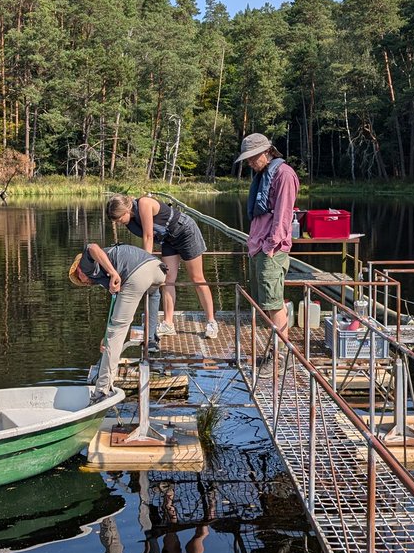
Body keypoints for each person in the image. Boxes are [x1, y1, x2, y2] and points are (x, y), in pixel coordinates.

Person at [106, 194, 219, 340]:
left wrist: (144, 267)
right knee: (167, 280)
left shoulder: (144, 204)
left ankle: (211, 322)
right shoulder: (130, 221)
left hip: (184, 232)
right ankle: (168, 323)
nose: (119, 223)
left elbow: (148, 236)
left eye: (119, 219)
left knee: (197, 278)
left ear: (126, 210)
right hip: (168, 239)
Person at [69, 242, 166, 402]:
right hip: (158, 270)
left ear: (79, 270)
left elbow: (92, 247)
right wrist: (105, 337)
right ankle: (151, 338)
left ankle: (101, 390)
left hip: (137, 273)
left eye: (79, 278)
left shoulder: (86, 266)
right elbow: (118, 308)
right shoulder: (101, 276)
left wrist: (113, 273)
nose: (84, 282)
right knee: (153, 295)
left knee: (117, 332)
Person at [234, 132, 300, 335]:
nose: (251, 163)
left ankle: (279, 356)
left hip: (270, 250)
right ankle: (272, 348)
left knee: (273, 303)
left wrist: (270, 246)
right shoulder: (263, 174)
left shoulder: (284, 175)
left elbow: (283, 215)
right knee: (262, 303)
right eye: (248, 159)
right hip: (257, 248)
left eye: (253, 157)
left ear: (267, 151)